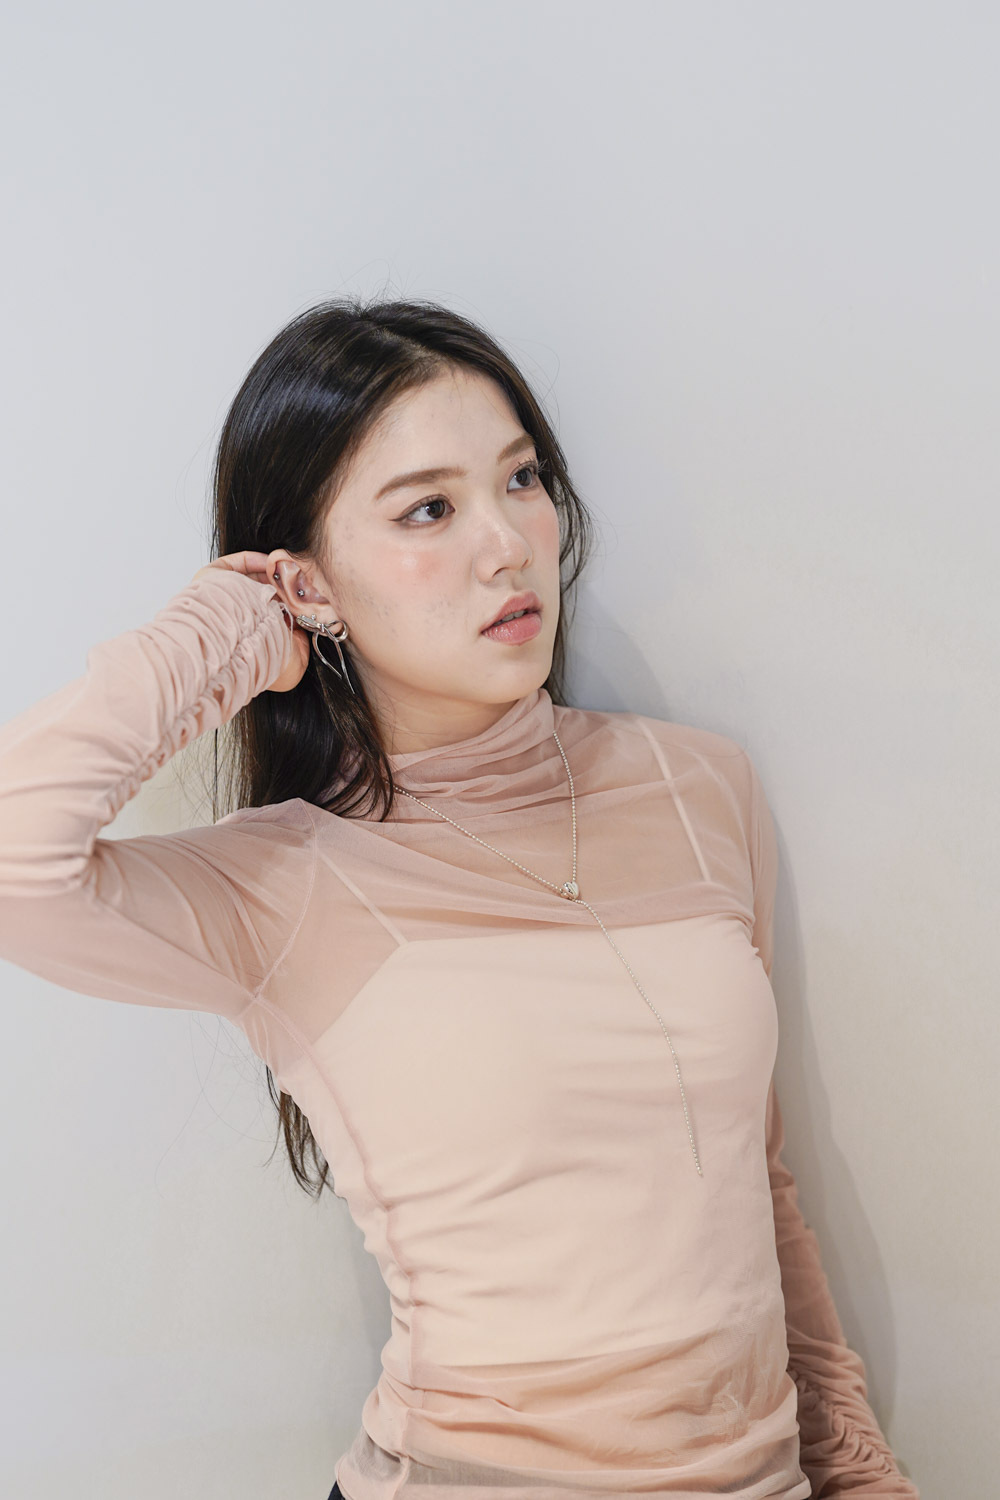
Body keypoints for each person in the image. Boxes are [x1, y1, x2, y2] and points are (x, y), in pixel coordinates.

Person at [0, 297, 918, 1499]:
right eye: (427, 509)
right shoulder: (285, 882)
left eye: (521, 479)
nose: (507, 544)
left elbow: (759, 1183)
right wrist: (225, 630)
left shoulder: (698, 785)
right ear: (309, 583)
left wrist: (853, 1469)